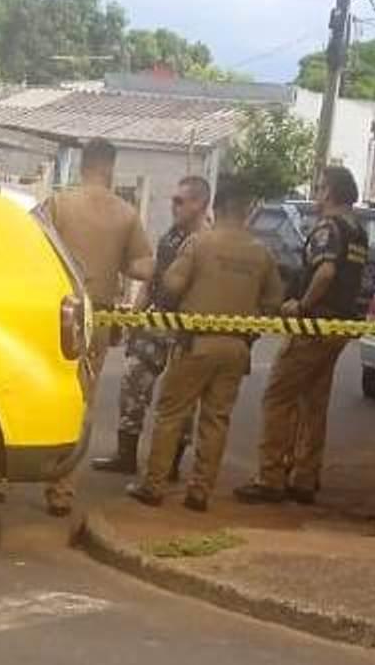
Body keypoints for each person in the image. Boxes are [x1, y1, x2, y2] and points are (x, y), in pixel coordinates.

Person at [126, 181, 283, 511]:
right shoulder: (261, 252)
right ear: (245, 210)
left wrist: (172, 303)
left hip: (196, 343)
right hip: (236, 348)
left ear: (218, 207)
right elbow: (273, 301)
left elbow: (172, 285)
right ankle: (200, 491)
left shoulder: (199, 243)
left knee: (171, 413)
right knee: (216, 420)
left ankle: (152, 485)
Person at [235, 166, 368, 505]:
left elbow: (325, 271)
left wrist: (301, 305)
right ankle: (304, 476)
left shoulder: (328, 228)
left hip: (314, 325)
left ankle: (269, 477)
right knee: (314, 402)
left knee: (278, 396)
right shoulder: (357, 230)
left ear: (330, 192)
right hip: (338, 327)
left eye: (320, 187)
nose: (316, 193)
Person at [39, 138, 155, 517]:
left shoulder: (58, 204)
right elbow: (144, 268)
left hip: (53, 311)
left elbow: (32, 246)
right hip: (97, 319)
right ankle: (62, 490)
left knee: (32, 385)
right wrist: (114, 261)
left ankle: (3, 477)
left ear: (82, 164)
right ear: (111, 167)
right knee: (82, 400)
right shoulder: (126, 214)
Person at [91, 175, 211, 478]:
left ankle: (169, 464)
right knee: (133, 382)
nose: (173, 206)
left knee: (180, 399)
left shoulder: (208, 243)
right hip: (156, 323)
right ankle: (125, 455)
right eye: (173, 200)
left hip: (186, 327)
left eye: (180, 201)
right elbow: (151, 280)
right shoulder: (171, 236)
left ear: (200, 204)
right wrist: (134, 320)